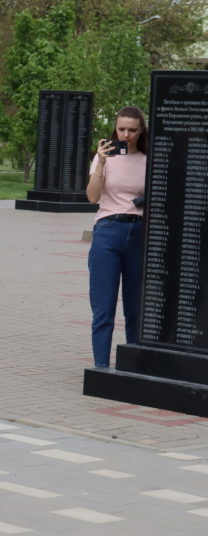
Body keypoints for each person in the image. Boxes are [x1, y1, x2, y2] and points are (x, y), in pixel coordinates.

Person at [85, 107, 147, 368]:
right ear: (115, 129)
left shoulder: (148, 159)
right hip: (108, 230)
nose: (126, 135)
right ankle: (101, 366)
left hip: (139, 231)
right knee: (104, 306)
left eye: (132, 130)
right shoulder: (105, 158)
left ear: (141, 131)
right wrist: (100, 162)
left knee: (135, 307)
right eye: (121, 129)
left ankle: (133, 366)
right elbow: (92, 196)